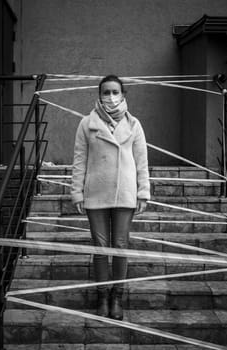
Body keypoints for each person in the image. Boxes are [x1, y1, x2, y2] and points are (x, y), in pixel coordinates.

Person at [71, 74, 150, 320]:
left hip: (125, 193)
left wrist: (143, 191)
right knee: (101, 247)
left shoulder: (134, 124)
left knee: (120, 246)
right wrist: (76, 192)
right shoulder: (87, 123)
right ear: (99, 95)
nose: (111, 97)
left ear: (124, 95)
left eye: (115, 92)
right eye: (106, 92)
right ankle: (103, 296)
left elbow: (141, 161)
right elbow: (79, 160)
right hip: (96, 193)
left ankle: (118, 297)